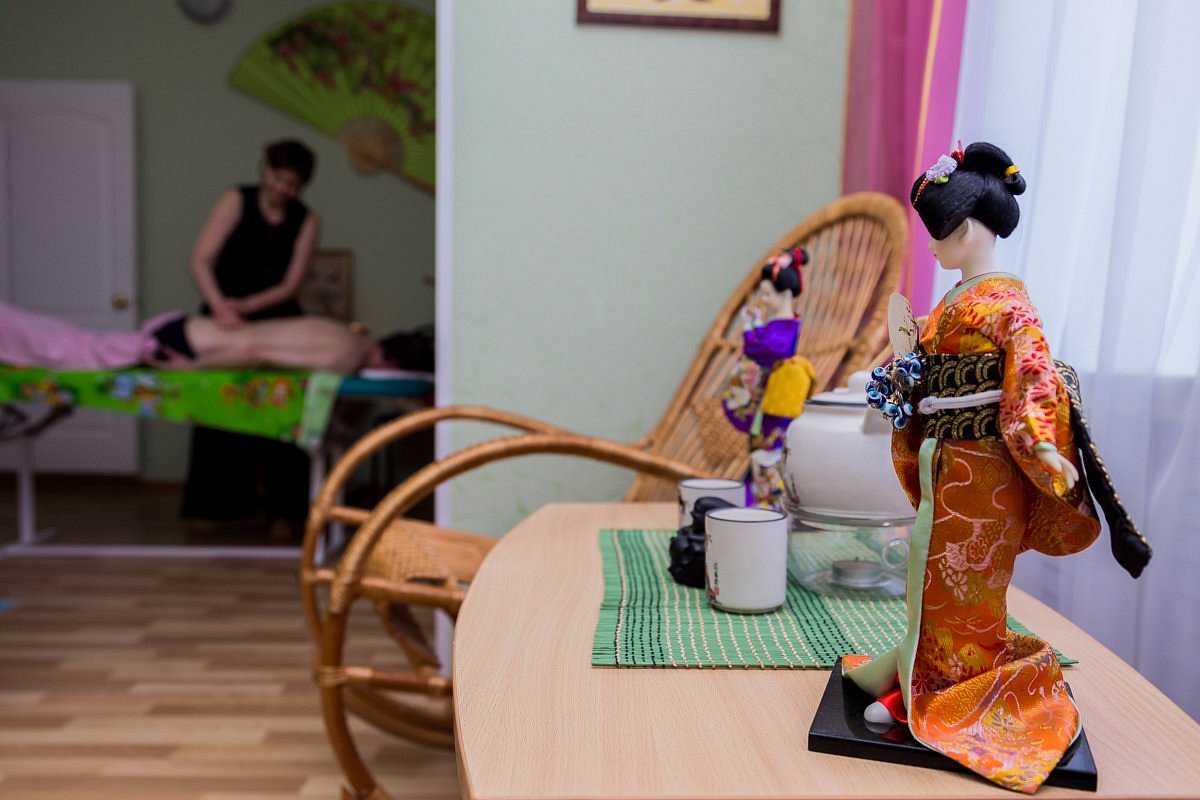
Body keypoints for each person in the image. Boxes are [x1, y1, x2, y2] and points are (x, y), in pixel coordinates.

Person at [843, 142, 1141, 793]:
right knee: (928, 577)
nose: (930, 247)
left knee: (965, 589)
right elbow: (920, 364)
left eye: (936, 233)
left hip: (985, 474)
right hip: (945, 461)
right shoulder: (957, 303)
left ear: (968, 227)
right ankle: (914, 679)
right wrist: (900, 376)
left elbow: (1032, 378)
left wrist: (1045, 444)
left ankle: (941, 698)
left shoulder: (1010, 307)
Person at [183, 139, 320, 538]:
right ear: (265, 170)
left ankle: (285, 512)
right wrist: (220, 305)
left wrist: (247, 306)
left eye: (292, 184)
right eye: (277, 179)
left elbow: (290, 284)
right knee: (218, 405)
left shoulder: (307, 220)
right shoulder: (236, 199)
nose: (282, 189)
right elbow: (200, 258)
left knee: (281, 406)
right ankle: (217, 508)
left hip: (274, 317)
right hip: (222, 314)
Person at [0, 300, 397, 375]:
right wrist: (192, 367)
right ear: (388, 363)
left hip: (189, 327)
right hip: (187, 345)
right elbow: (254, 351)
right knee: (68, 350)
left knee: (77, 341)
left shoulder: (344, 330)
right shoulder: (346, 355)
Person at [721, 247, 817, 508]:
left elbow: (765, 350)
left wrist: (750, 327)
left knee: (770, 450)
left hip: (777, 399)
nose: (763, 299)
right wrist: (756, 323)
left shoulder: (787, 326)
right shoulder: (780, 323)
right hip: (768, 397)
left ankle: (768, 502)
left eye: (767, 293)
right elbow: (762, 343)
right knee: (761, 449)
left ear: (784, 293)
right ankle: (759, 499)